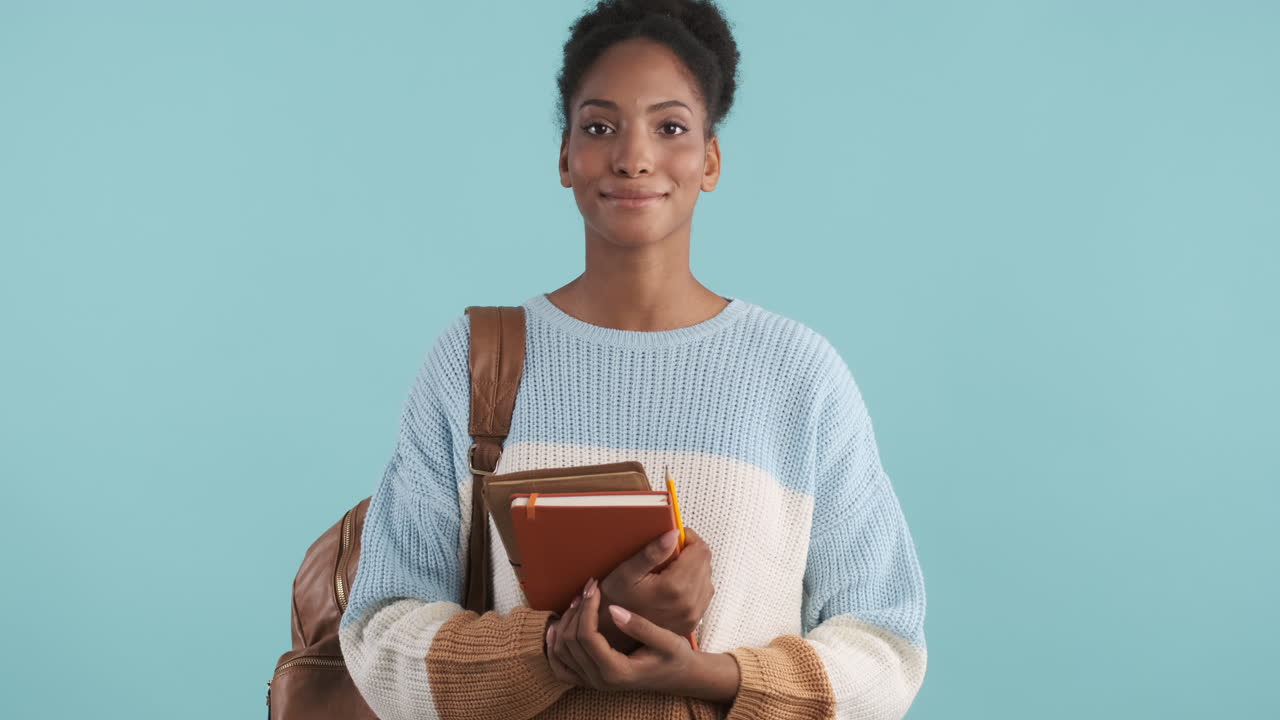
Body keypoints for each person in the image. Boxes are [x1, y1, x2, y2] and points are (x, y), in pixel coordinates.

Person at [337, 1, 928, 718]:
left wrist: (716, 676)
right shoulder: (474, 362)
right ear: (565, 156)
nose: (633, 157)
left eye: (670, 127)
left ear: (710, 160)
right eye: (599, 127)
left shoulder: (800, 375)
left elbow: (888, 647)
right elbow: (377, 635)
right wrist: (556, 646)